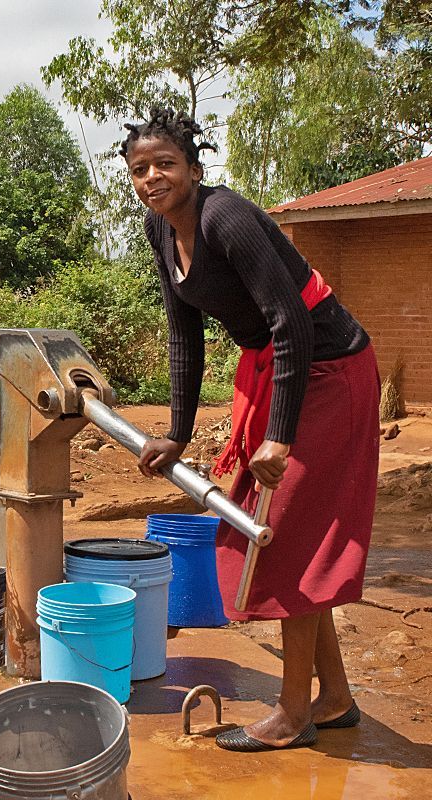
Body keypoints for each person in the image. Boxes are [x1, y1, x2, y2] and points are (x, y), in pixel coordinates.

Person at [124, 108, 379, 752]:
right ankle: (337, 697)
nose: (153, 177)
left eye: (165, 165)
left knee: (282, 534)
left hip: (330, 367)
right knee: (284, 530)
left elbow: (290, 321)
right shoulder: (161, 232)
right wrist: (177, 433)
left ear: (194, 169)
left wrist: (280, 437)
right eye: (140, 169)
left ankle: (293, 715)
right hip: (280, 369)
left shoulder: (224, 217)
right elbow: (184, 333)